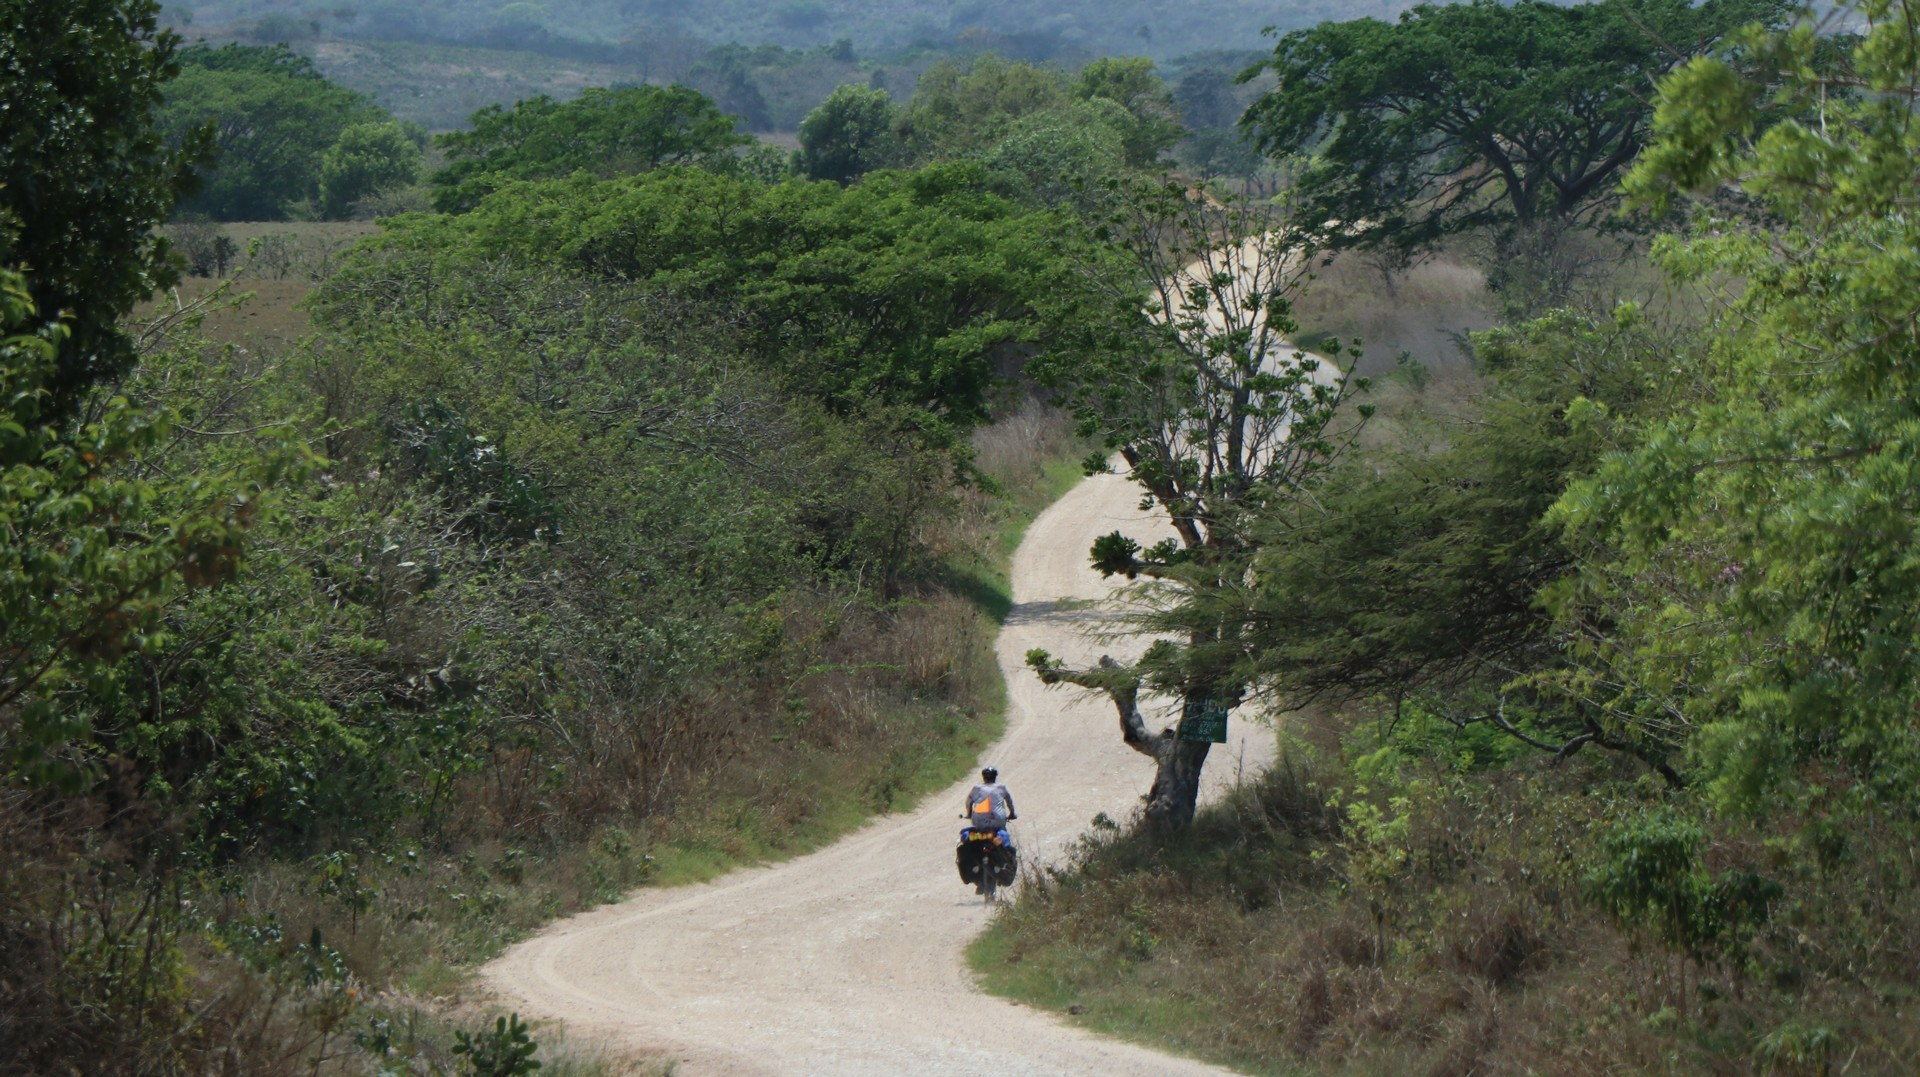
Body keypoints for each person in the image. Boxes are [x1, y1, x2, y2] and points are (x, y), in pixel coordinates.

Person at [958, 766, 1018, 894]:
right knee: (1005, 844)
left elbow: (968, 802)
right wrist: (1012, 813)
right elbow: (1009, 802)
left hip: (979, 825)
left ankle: (979, 878)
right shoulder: (1001, 787)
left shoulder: (977, 788)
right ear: (995, 777)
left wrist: (969, 813)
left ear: (983, 777)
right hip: (998, 823)